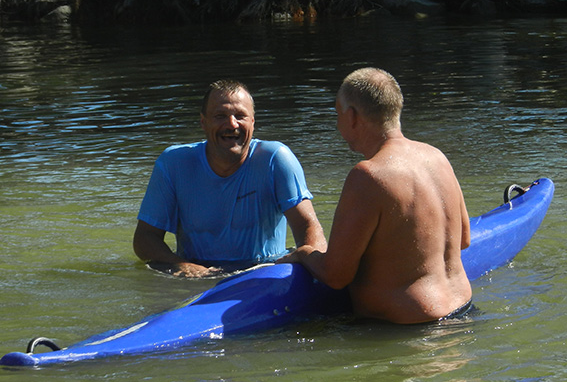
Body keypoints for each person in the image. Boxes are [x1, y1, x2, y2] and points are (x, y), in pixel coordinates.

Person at [280, 68, 473, 323]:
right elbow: (464, 239)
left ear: (352, 116)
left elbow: (336, 275)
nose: (338, 124)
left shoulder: (368, 176)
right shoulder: (436, 157)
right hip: (464, 310)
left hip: (409, 330)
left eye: (338, 114)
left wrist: (304, 253)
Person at [133, 80, 326, 278]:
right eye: (220, 116)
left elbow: (308, 226)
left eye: (240, 116)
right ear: (203, 122)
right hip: (198, 275)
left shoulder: (275, 159)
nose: (232, 124)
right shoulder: (174, 163)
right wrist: (181, 265)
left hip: (262, 274)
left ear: (253, 122)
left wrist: (312, 267)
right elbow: (145, 238)